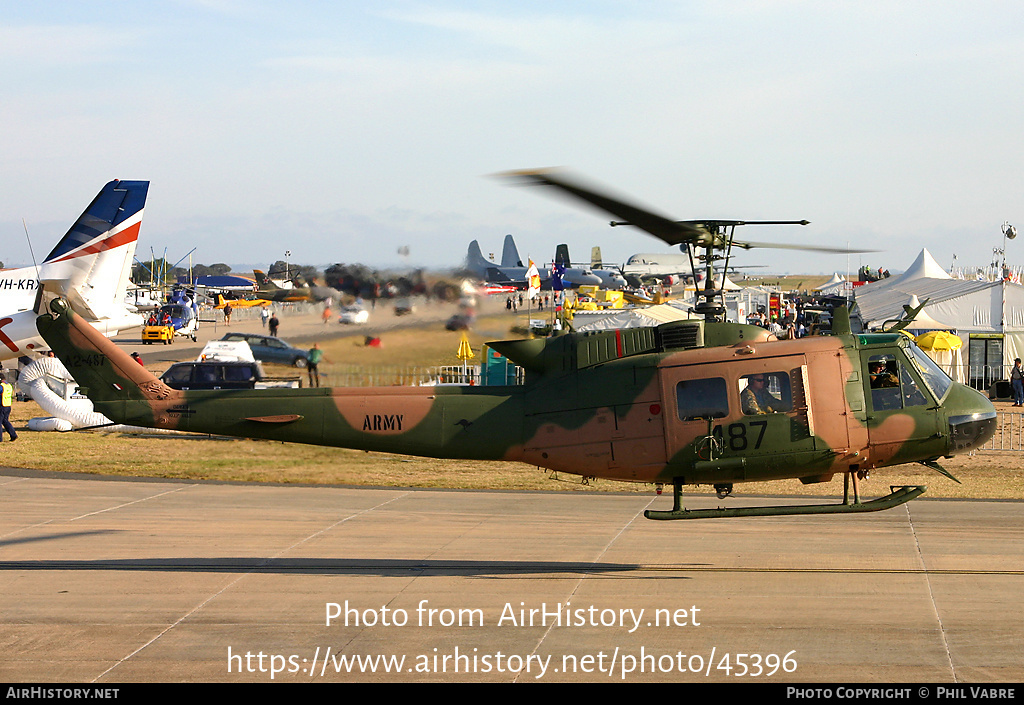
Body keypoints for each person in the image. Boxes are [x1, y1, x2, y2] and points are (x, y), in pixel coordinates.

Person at [0, 372, 17, 442]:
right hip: (8, 405)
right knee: (5, 421)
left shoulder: (1, 386)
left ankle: (0, 439)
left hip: (2, 406)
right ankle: (13, 435)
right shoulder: (9, 385)